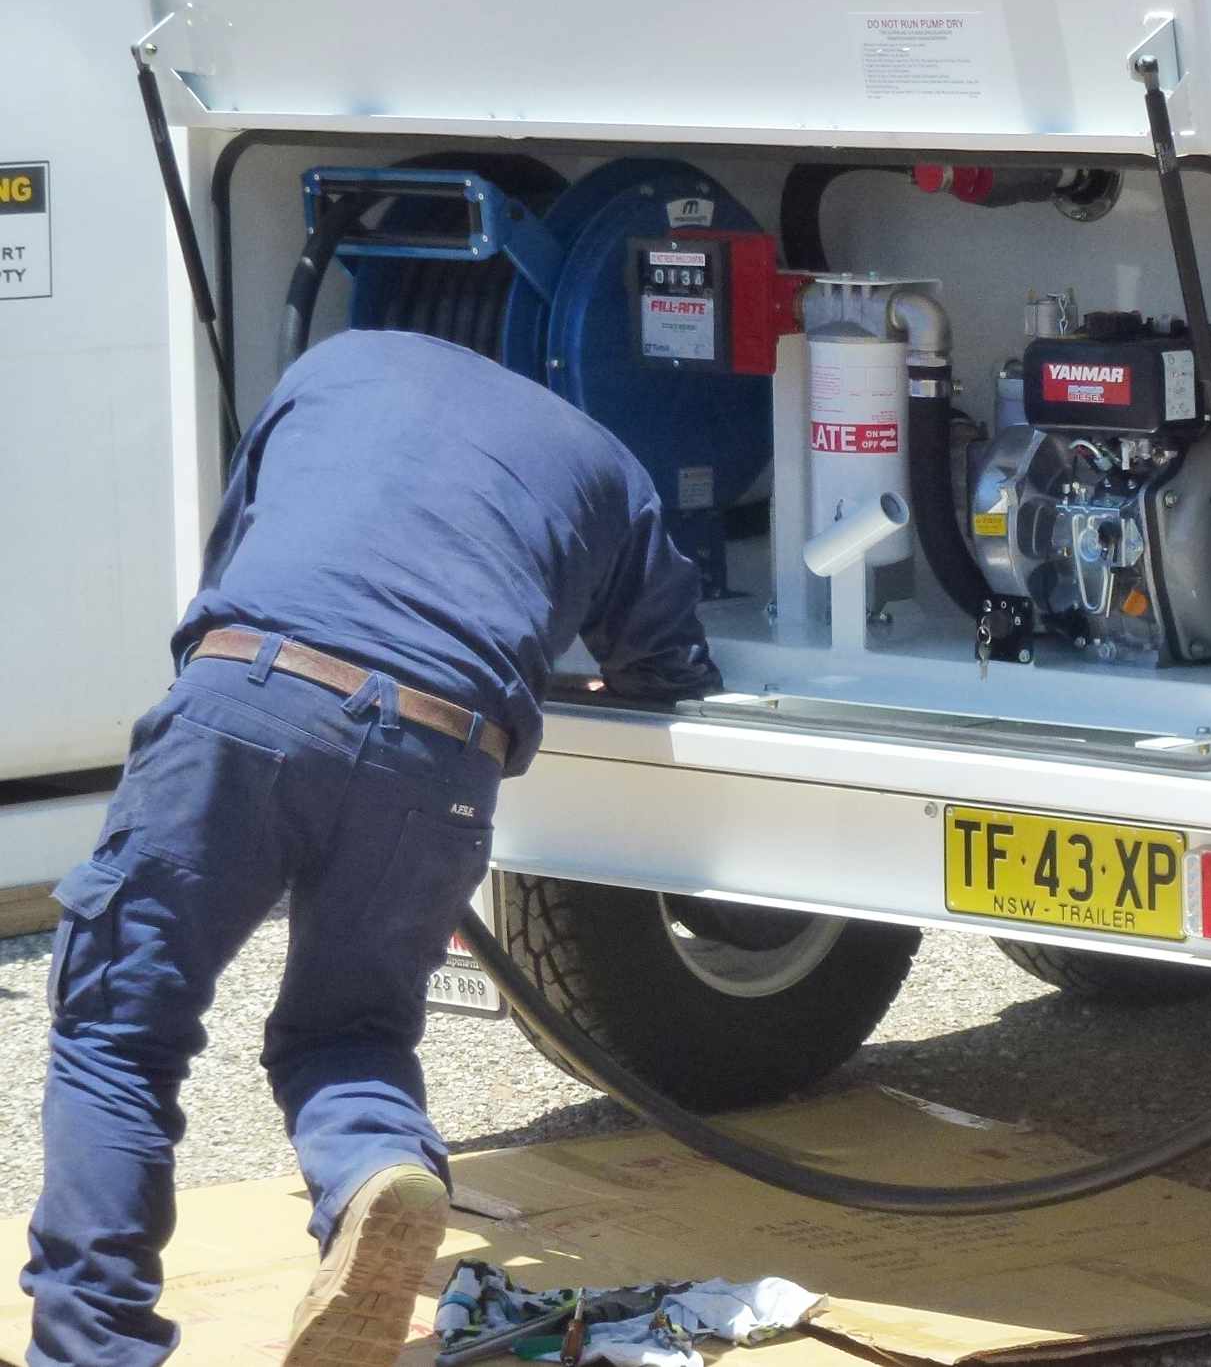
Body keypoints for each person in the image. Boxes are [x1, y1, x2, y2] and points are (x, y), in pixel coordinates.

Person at [20, 329, 722, 1367]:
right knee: (347, 1030)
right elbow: (668, 663)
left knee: (122, 1025)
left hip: (251, 692)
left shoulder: (341, 360)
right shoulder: (607, 465)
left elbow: (238, 548)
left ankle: (92, 1346)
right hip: (444, 751)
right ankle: (376, 1171)